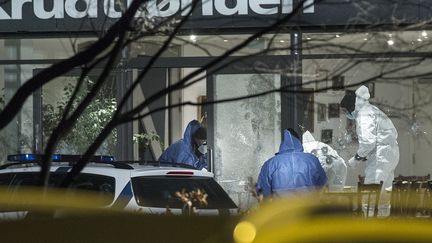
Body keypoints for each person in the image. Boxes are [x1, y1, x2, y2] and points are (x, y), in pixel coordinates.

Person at [340, 85, 399, 216]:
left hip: (381, 156)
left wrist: (356, 159)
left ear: (351, 106)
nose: (346, 115)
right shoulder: (372, 110)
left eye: (345, 111)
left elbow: (368, 142)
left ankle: (369, 228)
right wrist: (363, 156)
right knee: (384, 194)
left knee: (370, 195)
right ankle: (383, 227)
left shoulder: (364, 114)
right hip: (390, 154)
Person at [256, 129, 327, 198]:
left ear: (283, 142)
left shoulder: (270, 164)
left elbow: (262, 192)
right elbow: (323, 184)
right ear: (298, 141)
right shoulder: (312, 160)